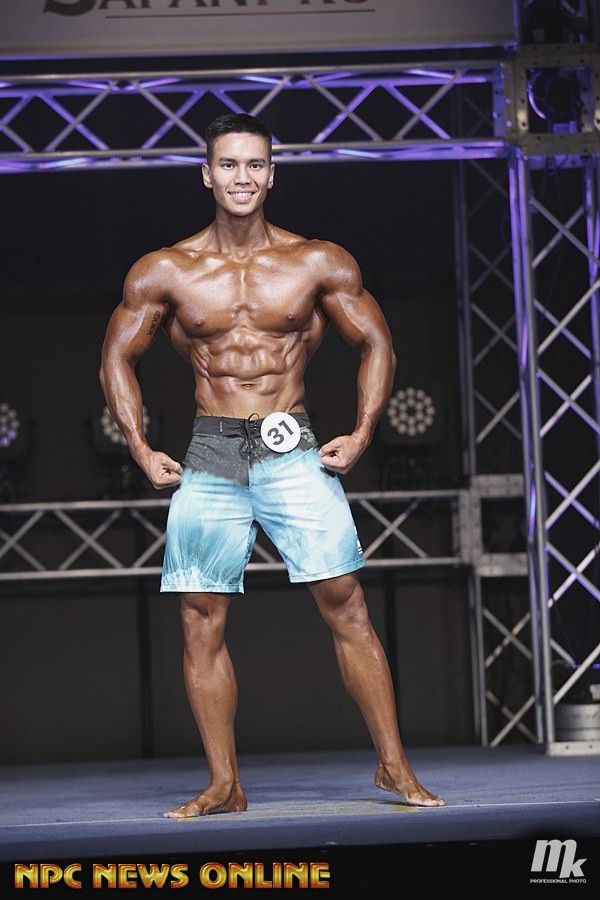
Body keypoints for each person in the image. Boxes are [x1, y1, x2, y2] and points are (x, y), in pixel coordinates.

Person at [99, 113, 445, 817]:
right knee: (200, 617)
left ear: (271, 174)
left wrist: (363, 431)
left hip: (290, 442)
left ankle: (394, 767)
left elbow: (376, 342)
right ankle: (225, 784)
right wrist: (139, 445)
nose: (242, 177)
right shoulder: (166, 269)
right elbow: (116, 357)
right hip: (214, 446)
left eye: (255, 165)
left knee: (346, 602)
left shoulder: (316, 261)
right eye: (229, 165)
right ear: (207, 174)